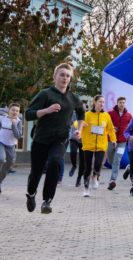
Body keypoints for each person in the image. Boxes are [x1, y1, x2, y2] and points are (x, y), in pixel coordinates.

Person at [25, 63, 84, 214]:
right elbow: (28, 114)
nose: (65, 78)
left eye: (68, 76)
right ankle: (31, 194)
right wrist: (47, 110)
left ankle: (47, 201)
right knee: (36, 172)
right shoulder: (45, 94)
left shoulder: (73, 98)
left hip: (60, 139)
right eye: (62, 74)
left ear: (70, 79)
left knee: (55, 162)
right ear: (55, 77)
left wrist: (79, 130)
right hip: (41, 139)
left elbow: (81, 112)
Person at [81, 95, 116, 197]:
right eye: (100, 101)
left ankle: (95, 177)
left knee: (97, 164)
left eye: (103, 102)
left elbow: (110, 129)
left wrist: (113, 140)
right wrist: (80, 126)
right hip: (88, 144)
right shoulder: (87, 115)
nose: (102, 104)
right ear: (94, 102)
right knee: (87, 168)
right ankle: (86, 189)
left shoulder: (106, 115)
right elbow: (77, 123)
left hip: (101, 145)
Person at [107, 97, 132, 190]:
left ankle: (112, 180)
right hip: (111, 140)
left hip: (122, 141)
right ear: (117, 103)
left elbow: (131, 126)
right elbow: (105, 124)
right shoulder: (110, 114)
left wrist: (130, 135)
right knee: (111, 160)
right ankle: (126, 168)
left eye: (123, 103)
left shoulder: (128, 115)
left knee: (117, 160)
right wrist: (112, 128)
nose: (122, 104)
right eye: (120, 102)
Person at [0, 103, 22, 194]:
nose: (15, 112)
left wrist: (13, 125)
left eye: (17, 111)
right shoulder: (2, 118)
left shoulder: (18, 121)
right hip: (1, 142)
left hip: (11, 146)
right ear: (8, 110)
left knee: (8, 165)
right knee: (1, 158)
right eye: (13, 110)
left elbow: (18, 136)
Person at [69, 103, 88, 187]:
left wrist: (87, 125)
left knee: (82, 160)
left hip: (83, 140)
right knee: (73, 152)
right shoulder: (72, 114)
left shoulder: (88, 115)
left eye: (83, 108)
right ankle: (74, 165)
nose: (82, 109)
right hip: (73, 138)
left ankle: (79, 178)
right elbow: (69, 123)